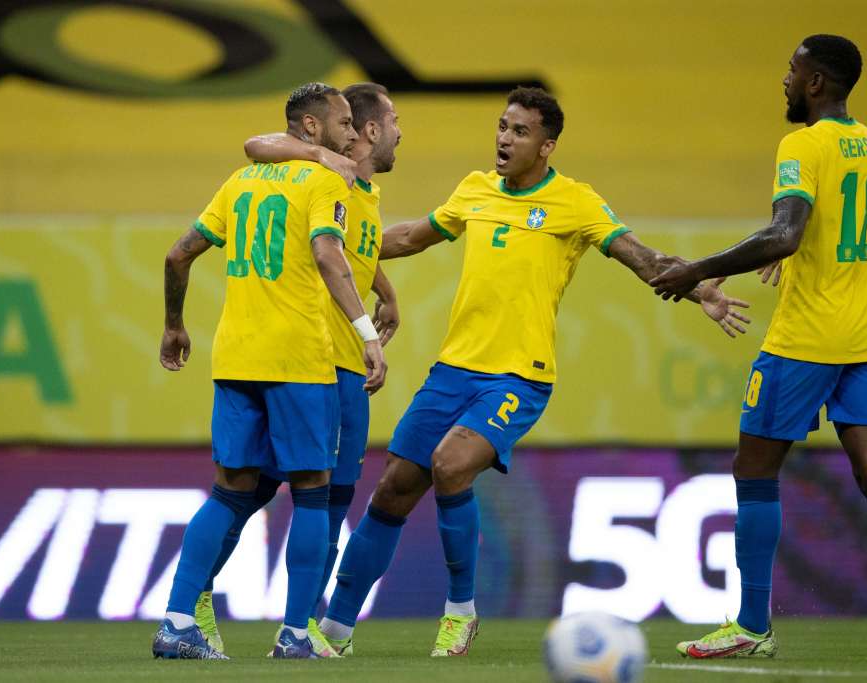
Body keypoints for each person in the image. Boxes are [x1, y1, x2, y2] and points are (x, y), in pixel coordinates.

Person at [319, 86, 752, 657]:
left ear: (546, 146)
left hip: (519, 377)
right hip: (452, 370)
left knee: (451, 464)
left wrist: (699, 289)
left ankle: (460, 613)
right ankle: (335, 632)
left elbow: (643, 259)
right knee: (393, 491)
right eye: (502, 126)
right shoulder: (474, 189)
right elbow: (404, 238)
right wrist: (331, 243)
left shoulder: (575, 202)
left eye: (519, 131)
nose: (503, 138)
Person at [653, 35, 867, 660]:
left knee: (753, 471)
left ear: (815, 83)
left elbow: (783, 233)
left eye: (792, 69)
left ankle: (752, 627)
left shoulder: (802, 144)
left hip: (806, 339)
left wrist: (695, 269)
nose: (784, 78)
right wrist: (820, 250)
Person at [151, 82, 386, 660]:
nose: (352, 133)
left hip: (235, 357)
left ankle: (177, 623)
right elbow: (330, 256)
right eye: (341, 124)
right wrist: (366, 333)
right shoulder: (323, 180)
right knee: (312, 492)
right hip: (298, 358)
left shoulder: (238, 181)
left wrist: (174, 324)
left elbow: (178, 254)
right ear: (309, 128)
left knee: (227, 492)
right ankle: (294, 634)